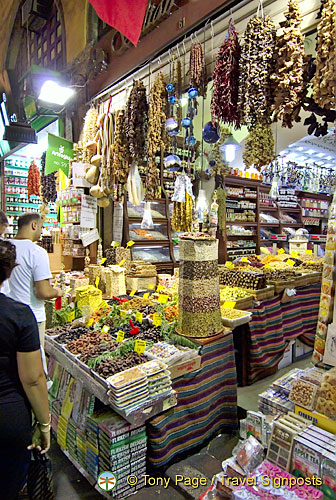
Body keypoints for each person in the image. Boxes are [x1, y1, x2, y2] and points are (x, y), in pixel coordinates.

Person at [0, 239, 50, 500]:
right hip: (8, 418)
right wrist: (44, 424)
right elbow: (32, 379)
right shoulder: (19, 315)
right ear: (9, 273)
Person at [6, 212, 63, 349]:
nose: (41, 231)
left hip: (6, 317)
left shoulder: (4, 247)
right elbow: (43, 292)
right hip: (31, 319)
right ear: (34, 225)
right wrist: (58, 292)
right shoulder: (37, 252)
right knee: (32, 365)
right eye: (41, 227)